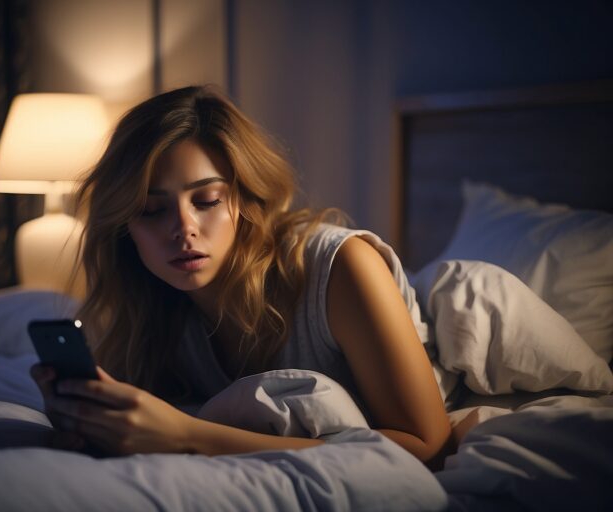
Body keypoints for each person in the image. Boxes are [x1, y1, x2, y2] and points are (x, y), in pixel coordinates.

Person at [31, 85, 453, 468]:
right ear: (126, 226)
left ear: (245, 198)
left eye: (208, 200)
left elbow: (427, 444)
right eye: (150, 209)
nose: (184, 228)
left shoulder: (341, 268)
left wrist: (187, 436)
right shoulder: (153, 304)